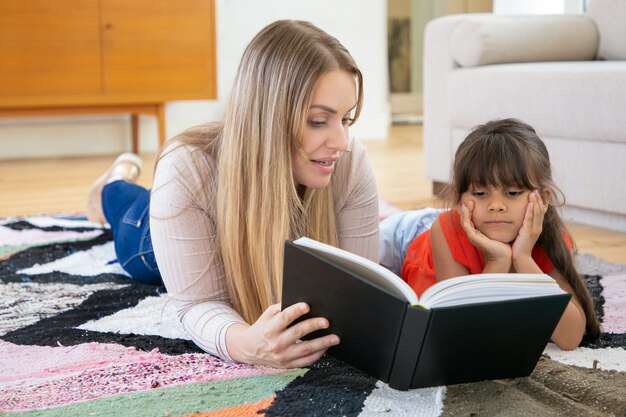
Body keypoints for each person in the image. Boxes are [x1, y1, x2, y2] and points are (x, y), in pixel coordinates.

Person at [85, 20, 379, 368]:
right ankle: (113, 182)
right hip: (154, 237)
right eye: (318, 121)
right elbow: (196, 303)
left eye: (346, 119)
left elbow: (365, 289)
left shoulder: (350, 161)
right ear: (267, 117)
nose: (342, 142)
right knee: (128, 216)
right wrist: (245, 344)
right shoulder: (186, 170)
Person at [391, 118, 600, 350]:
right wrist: (497, 261)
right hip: (410, 239)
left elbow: (570, 338)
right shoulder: (445, 231)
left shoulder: (551, 238)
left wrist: (523, 258)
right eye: (480, 193)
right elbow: (462, 331)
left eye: (512, 192)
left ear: (543, 198)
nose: (496, 205)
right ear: (460, 199)